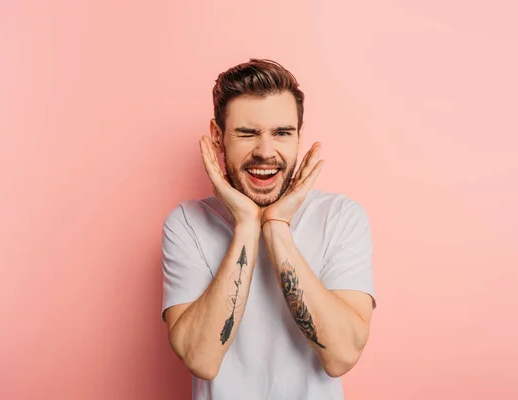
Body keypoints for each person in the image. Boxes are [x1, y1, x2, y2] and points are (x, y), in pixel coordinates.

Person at [161, 58, 377, 400]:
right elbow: (201, 359)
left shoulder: (340, 217)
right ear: (218, 137)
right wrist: (247, 224)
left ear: (298, 138)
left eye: (281, 133)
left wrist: (276, 226)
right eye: (247, 134)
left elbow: (341, 356)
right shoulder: (187, 224)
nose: (265, 151)